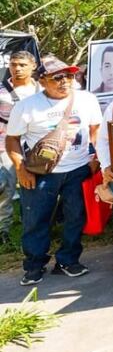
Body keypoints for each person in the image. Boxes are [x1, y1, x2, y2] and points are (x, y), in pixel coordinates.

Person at [8, 57, 102, 286]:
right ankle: (34, 265)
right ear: (42, 80)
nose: (65, 81)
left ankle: (68, 260)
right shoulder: (27, 106)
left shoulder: (87, 99)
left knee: (75, 217)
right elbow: (12, 140)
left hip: (78, 169)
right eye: (57, 77)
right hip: (40, 173)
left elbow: (95, 127)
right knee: (36, 220)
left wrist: (94, 158)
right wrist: (21, 170)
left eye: (69, 76)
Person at [0, 51, 41, 245]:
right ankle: (3, 231)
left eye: (22, 65)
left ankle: (35, 226)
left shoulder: (43, 89)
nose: (17, 68)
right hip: (6, 146)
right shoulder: (1, 89)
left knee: (36, 188)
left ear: (33, 66)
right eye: (13, 64)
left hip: (37, 145)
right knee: (4, 188)